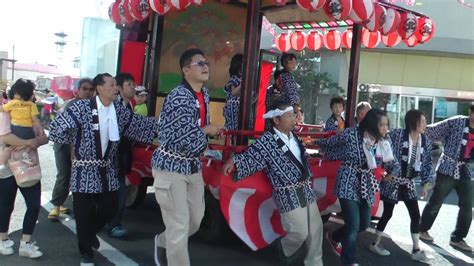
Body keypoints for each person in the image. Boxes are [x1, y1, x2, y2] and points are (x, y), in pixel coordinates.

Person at [49, 73, 160, 266]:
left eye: (116, 85)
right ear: (99, 88)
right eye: (111, 85)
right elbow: (57, 129)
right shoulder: (82, 107)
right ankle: (86, 253)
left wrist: (164, 124)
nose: (116, 88)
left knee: (109, 209)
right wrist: (75, 141)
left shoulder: (119, 109)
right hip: (83, 170)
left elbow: (138, 125)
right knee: (83, 214)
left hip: (107, 170)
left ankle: (90, 234)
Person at [223, 100, 323, 266]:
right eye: (289, 116)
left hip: (305, 188)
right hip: (286, 193)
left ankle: (314, 262)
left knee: (316, 228)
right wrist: (235, 160)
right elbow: (251, 157)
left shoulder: (295, 137)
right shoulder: (267, 141)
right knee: (299, 232)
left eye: (294, 115)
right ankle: (284, 251)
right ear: (276, 120)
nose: (294, 119)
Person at [152, 48, 224, 266]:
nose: (205, 67)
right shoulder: (179, 96)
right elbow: (183, 136)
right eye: (199, 63)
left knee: (195, 220)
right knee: (180, 225)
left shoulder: (204, 94)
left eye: (206, 63)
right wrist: (208, 130)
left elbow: (197, 131)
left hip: (192, 167)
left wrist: (208, 130)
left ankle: (163, 242)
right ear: (185, 70)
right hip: (171, 166)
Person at [316, 108, 399, 265]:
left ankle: (334, 237)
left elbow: (392, 163)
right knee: (353, 224)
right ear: (372, 123)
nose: (385, 128)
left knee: (363, 224)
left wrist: (390, 174)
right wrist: (312, 142)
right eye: (381, 125)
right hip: (348, 179)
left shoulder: (384, 141)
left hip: (367, 183)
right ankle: (349, 261)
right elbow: (330, 143)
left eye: (386, 125)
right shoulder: (352, 134)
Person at [369, 109, 434, 262]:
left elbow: (427, 164)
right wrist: (383, 173)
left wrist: (426, 183)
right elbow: (383, 148)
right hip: (393, 181)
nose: (425, 125)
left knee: (415, 215)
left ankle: (416, 249)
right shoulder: (397, 134)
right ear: (413, 122)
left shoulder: (425, 141)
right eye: (422, 121)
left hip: (408, 182)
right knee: (387, 214)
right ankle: (375, 243)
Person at [418, 105, 474, 252]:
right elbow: (432, 130)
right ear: (470, 112)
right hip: (447, 167)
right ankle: (421, 229)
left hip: (466, 170)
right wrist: (416, 133)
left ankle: (457, 238)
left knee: (468, 207)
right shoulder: (457, 122)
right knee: (436, 201)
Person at [0, 119, 48, 258]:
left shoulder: (30, 114)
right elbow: (3, 137)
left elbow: (44, 138)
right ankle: (3, 240)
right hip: (6, 169)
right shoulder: (4, 113)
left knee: (34, 205)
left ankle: (26, 244)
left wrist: (34, 143)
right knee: (6, 205)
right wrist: (28, 142)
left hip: (28, 167)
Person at [48, 78, 95, 220]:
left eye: (90, 89)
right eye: (84, 89)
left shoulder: (92, 107)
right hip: (63, 145)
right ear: (78, 90)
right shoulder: (72, 105)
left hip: (79, 147)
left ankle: (71, 206)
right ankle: (56, 206)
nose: (87, 92)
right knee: (64, 174)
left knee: (76, 177)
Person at [108, 72, 136, 238]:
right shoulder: (115, 107)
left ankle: (113, 223)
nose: (133, 87)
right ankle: (113, 224)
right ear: (119, 88)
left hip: (123, 155)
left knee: (120, 191)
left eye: (133, 84)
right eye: (129, 84)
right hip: (114, 157)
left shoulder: (129, 105)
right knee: (118, 192)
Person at [0, 79, 42, 166]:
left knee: (9, 148)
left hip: (15, 129)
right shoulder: (32, 105)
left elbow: (2, 108)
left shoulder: (12, 103)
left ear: (16, 93)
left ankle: (2, 164)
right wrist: (39, 128)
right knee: (31, 142)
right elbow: (35, 119)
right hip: (27, 130)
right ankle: (26, 153)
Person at [223, 53, 243, 130]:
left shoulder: (243, 77)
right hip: (233, 107)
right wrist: (242, 85)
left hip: (239, 106)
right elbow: (233, 92)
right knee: (233, 128)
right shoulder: (234, 78)